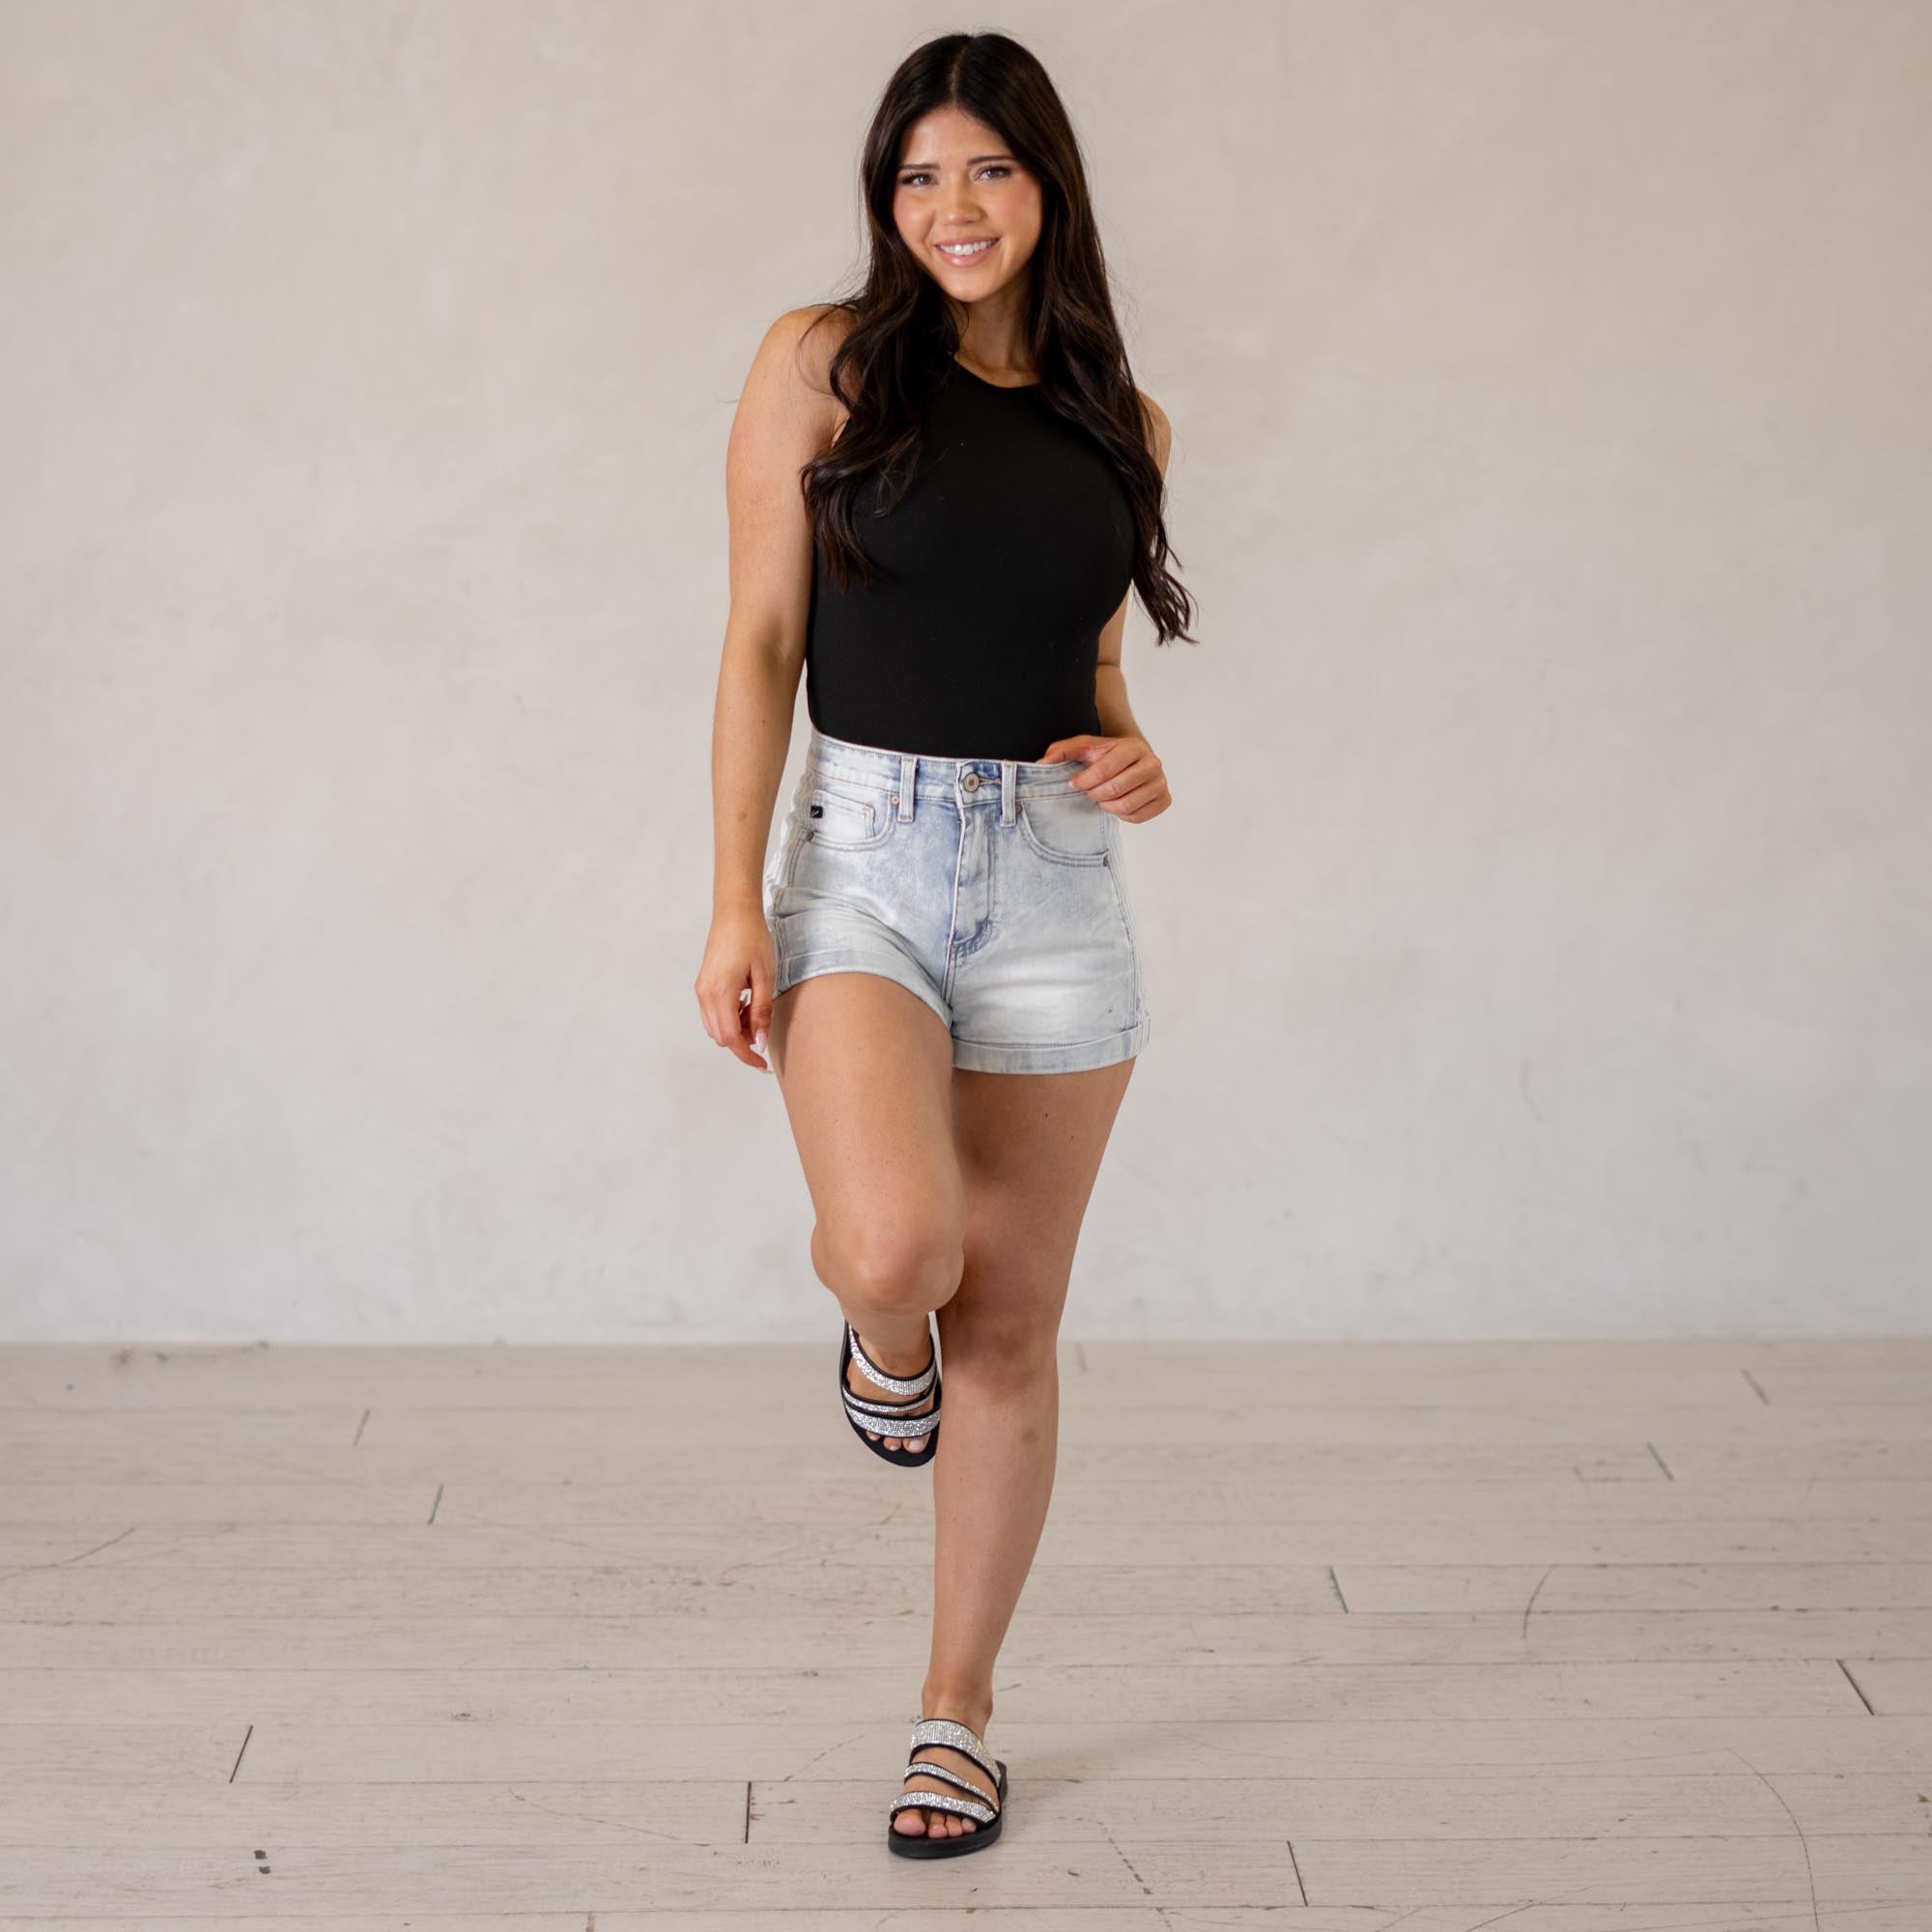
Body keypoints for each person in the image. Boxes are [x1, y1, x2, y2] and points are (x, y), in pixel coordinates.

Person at [695, 29, 1195, 1861]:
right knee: (895, 1246)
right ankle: (874, 1346)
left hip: (1057, 885)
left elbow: (1091, 669)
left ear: (1046, 183)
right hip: (865, 868)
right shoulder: (819, 366)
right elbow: (762, 642)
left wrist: (1135, 754)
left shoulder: (1121, 422)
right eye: (918, 175)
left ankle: (955, 1714)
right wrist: (732, 898)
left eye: (986, 168)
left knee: (1015, 1324)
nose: (952, 206)